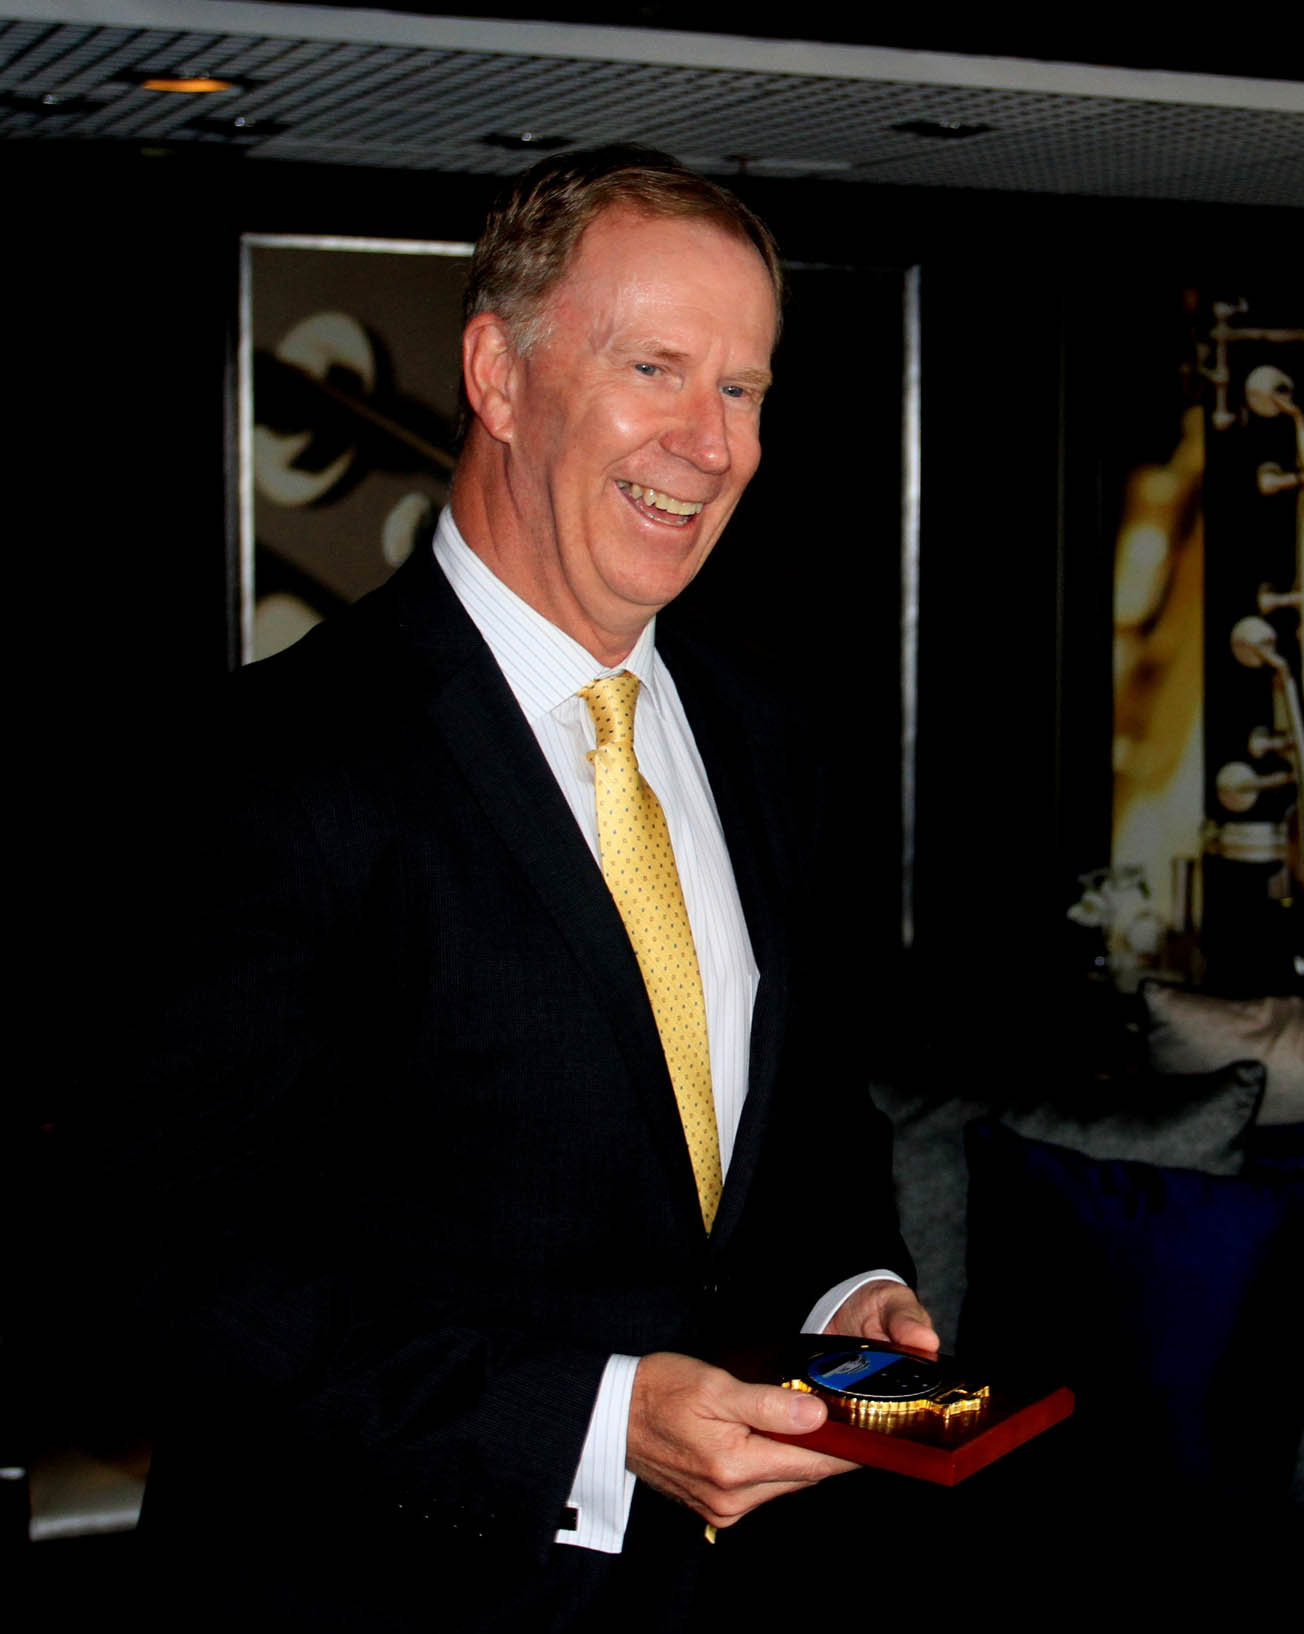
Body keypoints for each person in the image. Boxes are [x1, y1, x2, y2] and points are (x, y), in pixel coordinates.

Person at [128, 145, 931, 1630]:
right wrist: (596, 1417)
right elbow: (202, 1276)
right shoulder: (273, 763)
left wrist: (845, 1294)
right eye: (656, 368)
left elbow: (803, 1118)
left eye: (744, 388)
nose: (710, 441)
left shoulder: (768, 735)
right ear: (498, 376)